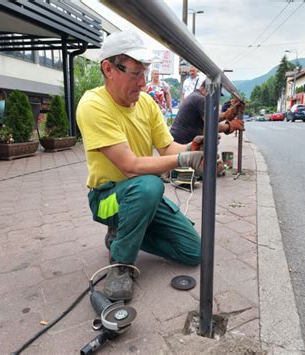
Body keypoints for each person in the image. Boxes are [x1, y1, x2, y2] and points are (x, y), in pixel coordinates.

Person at [76, 30, 206, 302]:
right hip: (107, 198)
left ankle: (121, 236)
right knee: (150, 184)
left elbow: (169, 149)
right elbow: (130, 166)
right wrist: (184, 160)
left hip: (141, 196)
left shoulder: (146, 103)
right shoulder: (93, 105)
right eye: (136, 73)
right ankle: (121, 264)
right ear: (108, 68)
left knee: (194, 251)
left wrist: (195, 149)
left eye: (145, 73)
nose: (143, 83)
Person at [170, 81, 245, 144]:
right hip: (181, 141)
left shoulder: (195, 96)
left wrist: (226, 114)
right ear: (207, 90)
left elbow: (210, 118)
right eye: (215, 95)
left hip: (179, 140)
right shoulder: (200, 99)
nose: (215, 100)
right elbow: (211, 126)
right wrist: (230, 126)